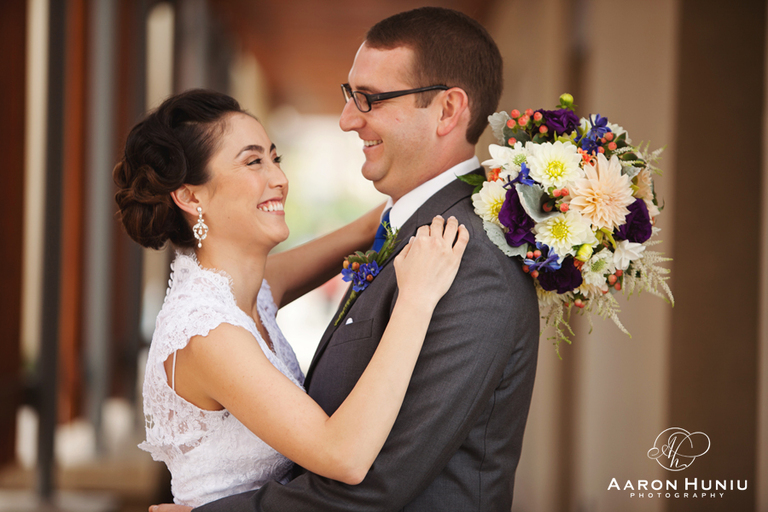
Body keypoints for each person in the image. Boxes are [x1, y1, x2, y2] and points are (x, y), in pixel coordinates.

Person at [153, 6, 540, 512]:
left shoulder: (466, 258)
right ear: (189, 195)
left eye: (370, 99)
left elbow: (377, 482)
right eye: (349, 96)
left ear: (447, 110)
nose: (347, 118)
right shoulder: (215, 311)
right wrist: (394, 214)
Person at [114, 89, 469, 507]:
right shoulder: (207, 333)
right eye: (252, 162)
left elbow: (365, 229)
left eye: (274, 158)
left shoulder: (247, 290)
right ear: (191, 196)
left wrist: (478, 177)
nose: (279, 179)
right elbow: (344, 456)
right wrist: (416, 300)